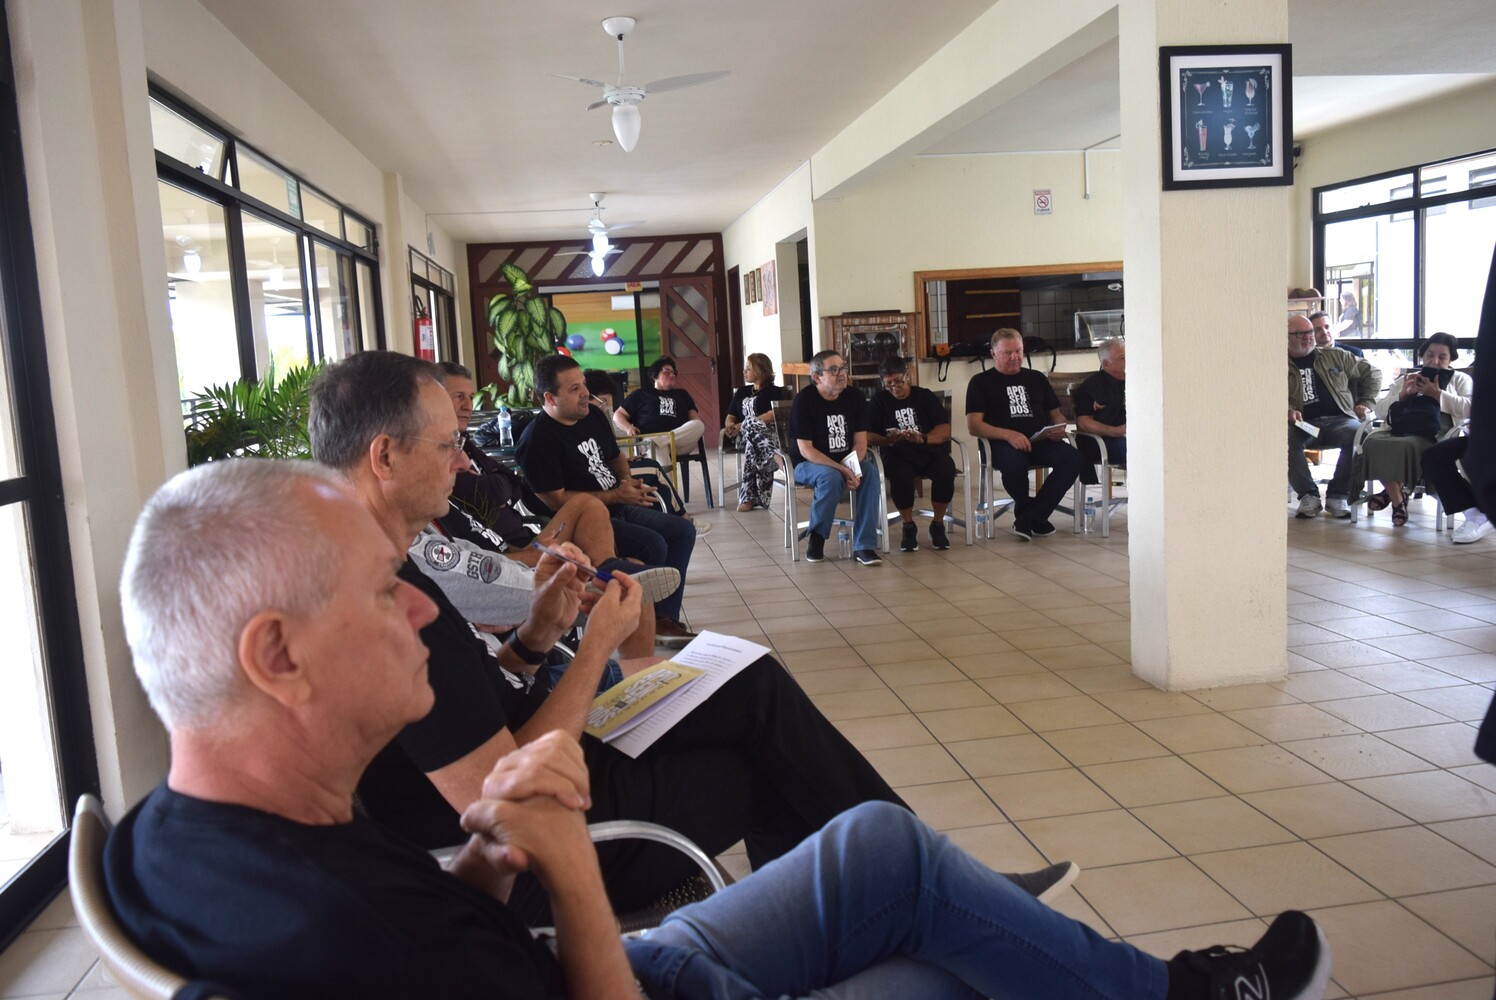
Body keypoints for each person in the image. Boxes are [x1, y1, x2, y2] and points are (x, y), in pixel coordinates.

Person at [107, 457, 1334, 1000]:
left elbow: (431, 923)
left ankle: (1178, 993)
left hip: (591, 957)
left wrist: (485, 862)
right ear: (276, 657)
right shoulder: (353, 936)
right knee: (965, 970)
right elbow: (436, 949)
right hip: (607, 966)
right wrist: (566, 869)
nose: (424, 608)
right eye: (388, 592)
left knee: (881, 847)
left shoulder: (188, 833)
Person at [313, 353, 924, 917]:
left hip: (555, 760)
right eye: (448, 444)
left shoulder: (384, 567)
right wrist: (596, 647)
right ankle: (898, 892)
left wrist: (535, 636)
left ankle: (893, 887)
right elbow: (501, 800)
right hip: (543, 848)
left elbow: (468, 707)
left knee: (753, 684)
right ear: (385, 457)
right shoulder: (383, 609)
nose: (461, 461)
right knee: (767, 764)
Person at [518, 354, 697, 645]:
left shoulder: (591, 416)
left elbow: (616, 458)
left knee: (682, 531)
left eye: (583, 384)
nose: (585, 393)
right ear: (550, 398)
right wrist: (615, 494)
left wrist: (626, 483)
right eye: (574, 389)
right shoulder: (536, 440)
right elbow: (557, 501)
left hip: (617, 503)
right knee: (653, 544)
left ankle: (664, 620)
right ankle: (643, 623)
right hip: (583, 524)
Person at [965, 328, 1084, 540]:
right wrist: (1009, 435)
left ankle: (1030, 516)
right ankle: (1034, 517)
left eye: (1018, 351)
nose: (1015, 357)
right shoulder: (980, 382)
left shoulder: (1036, 378)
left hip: (1040, 440)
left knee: (1073, 458)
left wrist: (1058, 427)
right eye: (1007, 353)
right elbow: (974, 426)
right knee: (1015, 464)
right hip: (1000, 443)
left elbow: (1056, 414)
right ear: (993, 354)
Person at [1362, 333, 1472, 527]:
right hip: (1399, 429)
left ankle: (1393, 496)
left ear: (1451, 359)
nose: (1435, 361)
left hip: (1436, 434)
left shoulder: (1460, 379)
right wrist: (1402, 395)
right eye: (1430, 355)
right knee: (1372, 442)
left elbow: (1471, 409)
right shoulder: (1408, 379)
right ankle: (1398, 498)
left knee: (1404, 446)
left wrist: (1438, 395)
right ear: (1422, 355)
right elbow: (1379, 410)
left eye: (1442, 357)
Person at [789, 349, 883, 564]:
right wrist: (842, 470)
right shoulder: (804, 400)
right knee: (830, 476)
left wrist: (852, 467)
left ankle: (864, 546)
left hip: (846, 461)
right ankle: (817, 537)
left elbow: (861, 442)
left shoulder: (855, 397)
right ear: (817, 377)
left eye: (843, 368)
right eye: (833, 370)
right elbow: (806, 450)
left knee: (869, 472)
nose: (842, 374)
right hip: (807, 463)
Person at [1288, 313, 1382, 519]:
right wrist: (1287, 410)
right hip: (1303, 424)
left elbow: (1373, 373)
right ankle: (1308, 495)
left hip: (1340, 420)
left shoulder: (1336, 356)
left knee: (1359, 434)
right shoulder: (1278, 365)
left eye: (1310, 332)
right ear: (1285, 337)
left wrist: (1366, 402)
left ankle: (1338, 494)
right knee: (1284, 438)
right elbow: (1265, 394)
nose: (1309, 337)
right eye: (1300, 333)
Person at [865, 355, 955, 551]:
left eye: (898, 381)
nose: (894, 387)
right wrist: (888, 439)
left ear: (907, 376)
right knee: (900, 475)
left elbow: (944, 430)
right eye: (888, 384)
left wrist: (923, 438)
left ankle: (937, 524)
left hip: (928, 449)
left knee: (946, 470)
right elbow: (868, 435)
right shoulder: (879, 401)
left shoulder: (924, 396)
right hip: (897, 453)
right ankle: (908, 525)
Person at [723, 352, 787, 512]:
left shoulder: (774, 391)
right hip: (743, 437)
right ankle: (773, 456)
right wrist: (730, 425)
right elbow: (730, 415)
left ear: (760, 370)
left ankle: (748, 499)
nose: (744, 371)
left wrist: (744, 424)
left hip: (768, 434)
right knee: (751, 429)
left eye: (748, 368)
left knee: (753, 444)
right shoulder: (742, 391)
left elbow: (773, 414)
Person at [613, 356, 707, 464]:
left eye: (674, 373)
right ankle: (655, 444)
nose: (672, 375)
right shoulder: (641, 394)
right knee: (658, 451)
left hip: (679, 443)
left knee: (699, 424)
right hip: (650, 441)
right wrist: (628, 427)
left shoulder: (682, 394)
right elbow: (618, 414)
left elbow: (694, 418)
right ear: (655, 375)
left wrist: (659, 439)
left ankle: (656, 441)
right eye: (667, 372)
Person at [1074, 338, 1128, 475]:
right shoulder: (1092, 386)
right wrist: (1117, 431)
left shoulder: (1137, 380)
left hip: (1133, 435)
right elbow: (1083, 422)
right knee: (1137, 449)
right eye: (1123, 358)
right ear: (1106, 364)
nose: (1129, 360)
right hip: (1100, 441)